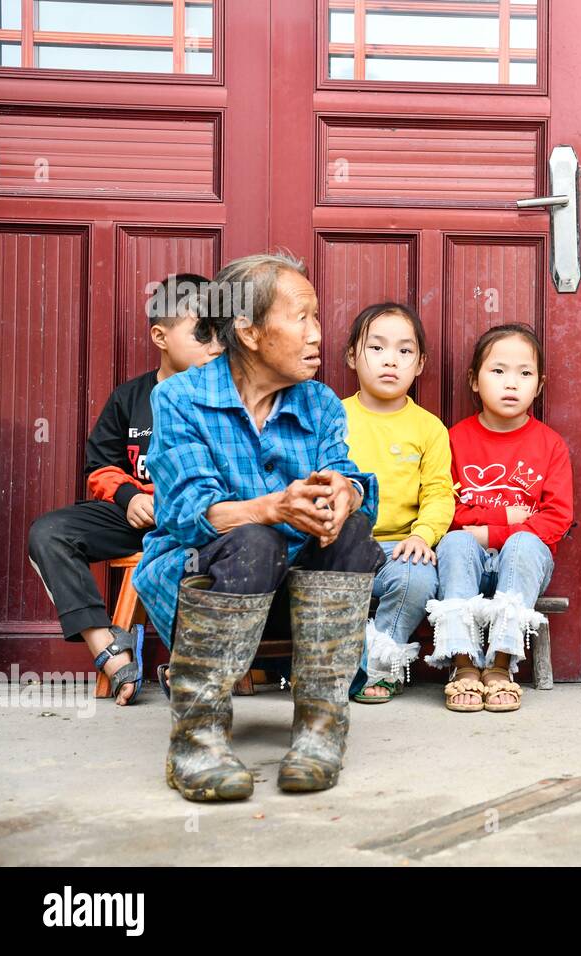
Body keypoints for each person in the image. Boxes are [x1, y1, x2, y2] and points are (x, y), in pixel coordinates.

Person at [133, 252, 384, 802]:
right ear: (247, 329)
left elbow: (342, 471)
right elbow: (185, 511)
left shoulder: (318, 403)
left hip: (303, 595)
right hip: (206, 583)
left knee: (352, 530)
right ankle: (197, 739)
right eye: (302, 317)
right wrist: (272, 507)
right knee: (254, 539)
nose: (318, 334)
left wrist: (347, 494)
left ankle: (321, 731)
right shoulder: (179, 398)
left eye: (317, 318)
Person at [27, 273, 222, 705]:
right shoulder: (130, 398)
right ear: (160, 336)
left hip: (194, 525)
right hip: (134, 517)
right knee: (49, 533)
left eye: (221, 332)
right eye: (202, 332)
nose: (215, 344)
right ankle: (109, 650)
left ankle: (194, 660)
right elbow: (99, 466)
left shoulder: (226, 399)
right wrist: (129, 497)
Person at [426, 323, 573, 713]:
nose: (512, 383)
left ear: (538, 386)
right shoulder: (453, 439)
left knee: (525, 543)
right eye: (498, 371)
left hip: (521, 561)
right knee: (455, 541)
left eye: (524, 374)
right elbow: (445, 509)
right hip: (466, 554)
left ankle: (501, 667)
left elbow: (555, 519)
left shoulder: (550, 445)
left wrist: (487, 532)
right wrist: (504, 517)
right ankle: (463, 666)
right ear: (474, 381)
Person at [341, 302, 454, 703]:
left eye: (405, 351)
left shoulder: (428, 428)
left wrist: (424, 535)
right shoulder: (334, 419)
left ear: (420, 363)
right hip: (341, 543)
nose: (391, 360)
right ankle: (335, 666)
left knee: (418, 578)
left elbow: (439, 492)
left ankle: (381, 666)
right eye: (377, 348)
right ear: (353, 355)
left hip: (400, 546)